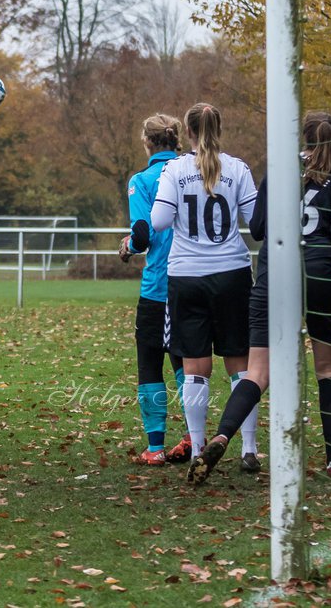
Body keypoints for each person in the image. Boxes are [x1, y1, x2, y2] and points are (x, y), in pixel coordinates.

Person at [188, 112, 331, 483]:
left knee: (258, 371)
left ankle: (220, 437)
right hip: (321, 275)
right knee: (327, 367)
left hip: (272, 276)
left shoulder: (276, 175)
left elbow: (260, 229)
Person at [147, 104, 259, 475]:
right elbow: (256, 221)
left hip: (187, 276)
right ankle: (249, 448)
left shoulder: (174, 169)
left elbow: (160, 220)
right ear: (219, 128)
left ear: (188, 132)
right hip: (232, 273)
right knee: (241, 363)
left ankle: (198, 447)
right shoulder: (238, 168)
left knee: (195, 367)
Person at [118, 114, 191, 467]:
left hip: (161, 284)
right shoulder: (193, 170)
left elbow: (144, 235)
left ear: (147, 143)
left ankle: (156, 447)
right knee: (187, 359)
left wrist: (128, 245)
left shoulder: (142, 179)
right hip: (197, 278)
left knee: (150, 361)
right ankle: (195, 436)